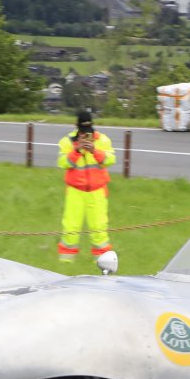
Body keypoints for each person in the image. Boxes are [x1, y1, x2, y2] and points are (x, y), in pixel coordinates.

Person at [56, 109, 117, 269]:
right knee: (71, 227)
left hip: (97, 191)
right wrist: (76, 151)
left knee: (99, 228)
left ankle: (102, 263)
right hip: (75, 191)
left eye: (88, 130)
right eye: (83, 131)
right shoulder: (67, 142)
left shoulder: (102, 140)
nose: (85, 135)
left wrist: (94, 151)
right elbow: (62, 163)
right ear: (76, 127)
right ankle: (66, 263)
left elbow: (110, 160)